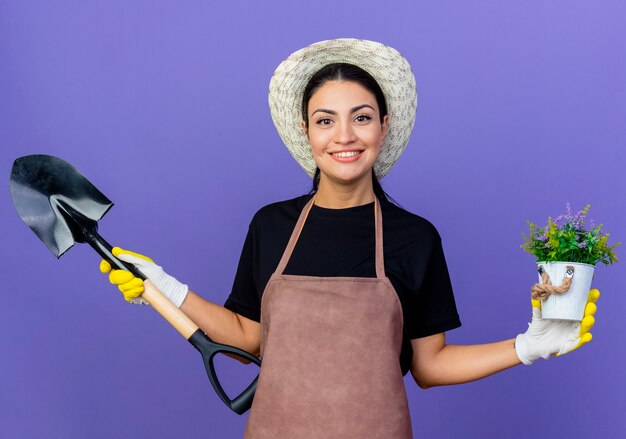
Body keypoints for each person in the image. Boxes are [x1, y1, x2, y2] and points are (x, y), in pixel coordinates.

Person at [99, 39, 599, 438]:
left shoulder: (414, 238)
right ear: (306, 131)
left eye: (361, 117)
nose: (344, 136)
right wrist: (164, 286)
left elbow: (430, 366)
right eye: (325, 120)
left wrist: (529, 346)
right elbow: (247, 338)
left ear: (383, 127)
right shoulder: (271, 226)